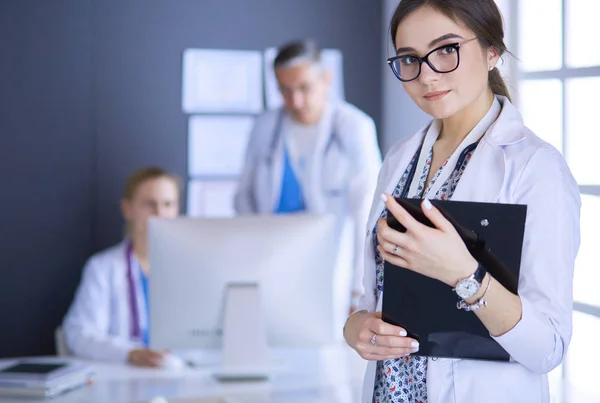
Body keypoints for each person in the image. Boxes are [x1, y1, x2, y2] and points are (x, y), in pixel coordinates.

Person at [343, 1, 580, 402]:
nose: (427, 75)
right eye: (409, 59)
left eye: (447, 50)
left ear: (492, 51)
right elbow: (369, 298)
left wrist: (463, 274)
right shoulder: (399, 160)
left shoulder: (536, 169)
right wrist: (358, 328)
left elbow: (548, 347)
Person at [234, 39, 382, 314]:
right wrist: (249, 254)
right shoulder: (266, 126)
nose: (295, 101)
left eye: (304, 87)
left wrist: (359, 287)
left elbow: (367, 212)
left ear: (326, 79)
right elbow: (244, 196)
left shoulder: (353, 127)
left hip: (332, 263)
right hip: (271, 258)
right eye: (285, 91)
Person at [62, 167, 181, 367]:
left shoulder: (189, 269)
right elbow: (78, 333)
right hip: (124, 382)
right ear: (127, 209)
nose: (159, 213)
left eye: (168, 204)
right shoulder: (103, 268)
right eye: (149, 204)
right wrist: (130, 353)